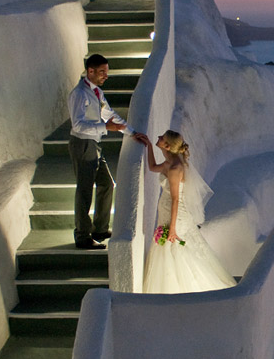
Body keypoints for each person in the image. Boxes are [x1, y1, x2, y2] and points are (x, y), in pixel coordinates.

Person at [134, 130, 235, 293]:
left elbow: (175, 199)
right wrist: (149, 146)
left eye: (162, 138)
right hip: (166, 211)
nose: (159, 137)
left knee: (174, 248)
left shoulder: (175, 168)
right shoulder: (168, 163)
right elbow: (152, 167)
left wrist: (172, 227)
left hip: (175, 215)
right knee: (168, 248)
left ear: (167, 145)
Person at [68, 54, 138, 249]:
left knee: (107, 184)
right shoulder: (79, 94)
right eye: (101, 72)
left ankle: (100, 228)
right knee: (84, 190)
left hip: (94, 143)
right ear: (90, 71)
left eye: (106, 72)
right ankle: (82, 235)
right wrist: (105, 127)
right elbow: (78, 125)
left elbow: (110, 114)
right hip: (83, 144)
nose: (105, 76)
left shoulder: (97, 92)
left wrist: (131, 132)